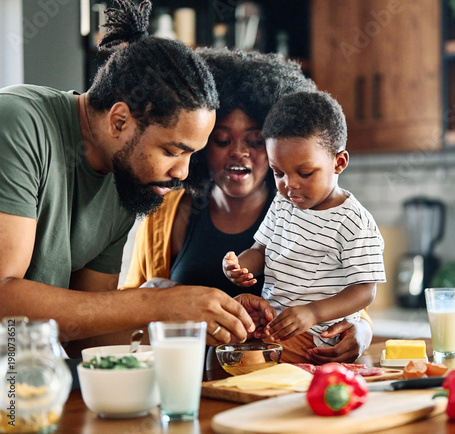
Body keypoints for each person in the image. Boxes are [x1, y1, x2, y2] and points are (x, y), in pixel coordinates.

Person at [0, 0, 266, 358]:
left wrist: (184, 319)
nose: (182, 173)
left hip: (26, 384)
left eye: (191, 155)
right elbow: (4, 298)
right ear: (120, 121)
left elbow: (87, 340)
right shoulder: (17, 122)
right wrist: (154, 304)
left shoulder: (127, 177)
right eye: (174, 151)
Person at [124, 48, 374, 363]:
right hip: (190, 381)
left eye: (255, 141)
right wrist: (157, 296)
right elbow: (129, 312)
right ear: (201, 143)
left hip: (274, 382)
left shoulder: (302, 209)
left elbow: (346, 299)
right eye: (222, 140)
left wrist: (361, 330)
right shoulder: (168, 214)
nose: (239, 153)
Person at [223, 91, 386, 363]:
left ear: (339, 163)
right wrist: (238, 267)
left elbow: (365, 290)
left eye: (305, 173)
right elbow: (260, 250)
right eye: (279, 173)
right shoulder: (282, 203)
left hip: (318, 338)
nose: (290, 184)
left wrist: (313, 312)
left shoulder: (354, 221)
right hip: (275, 328)